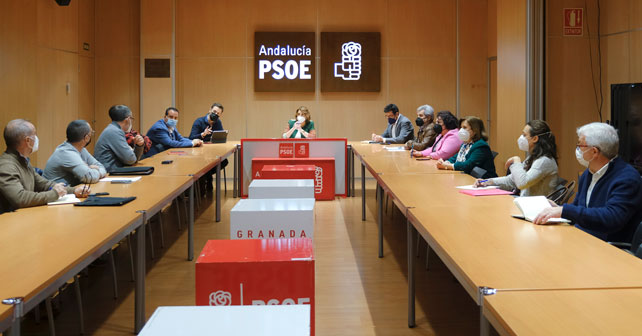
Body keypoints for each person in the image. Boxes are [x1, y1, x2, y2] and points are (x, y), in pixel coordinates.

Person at [534, 122, 642, 243]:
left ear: (594, 152)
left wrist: (565, 211)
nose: (577, 149)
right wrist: (557, 209)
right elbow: (579, 209)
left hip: (609, 248)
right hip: (583, 239)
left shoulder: (627, 178)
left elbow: (612, 218)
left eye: (580, 145)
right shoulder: (588, 173)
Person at [0, 119, 89, 213]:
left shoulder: (23, 160)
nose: (37, 138)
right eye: (35, 135)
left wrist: (73, 190)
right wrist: (54, 194)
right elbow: (20, 198)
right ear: (28, 141)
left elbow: (43, 184)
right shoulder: (6, 166)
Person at [475, 120, 559, 196]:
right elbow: (511, 180)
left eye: (524, 135)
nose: (521, 137)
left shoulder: (544, 161)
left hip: (536, 209)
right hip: (526, 204)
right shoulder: (534, 157)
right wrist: (487, 182)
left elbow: (522, 183)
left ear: (535, 138)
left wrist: (516, 161)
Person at [43, 120, 107, 186]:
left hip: (70, 191)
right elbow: (90, 177)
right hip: (57, 193)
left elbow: (101, 166)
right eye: (91, 133)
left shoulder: (81, 149)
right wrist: (91, 169)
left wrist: (89, 169)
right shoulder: (66, 153)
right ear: (86, 138)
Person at [188, 102, 229, 192]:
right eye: (214, 111)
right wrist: (203, 134)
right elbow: (191, 137)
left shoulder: (217, 122)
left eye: (218, 113)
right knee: (206, 163)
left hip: (211, 151)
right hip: (198, 152)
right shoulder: (199, 121)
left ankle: (207, 176)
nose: (215, 114)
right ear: (210, 110)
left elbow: (220, 136)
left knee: (224, 161)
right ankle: (208, 178)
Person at [95, 105, 146, 172]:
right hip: (108, 173)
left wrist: (139, 145)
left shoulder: (113, 129)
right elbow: (130, 160)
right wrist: (136, 149)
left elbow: (132, 160)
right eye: (131, 118)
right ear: (127, 119)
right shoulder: (114, 132)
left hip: (112, 170)